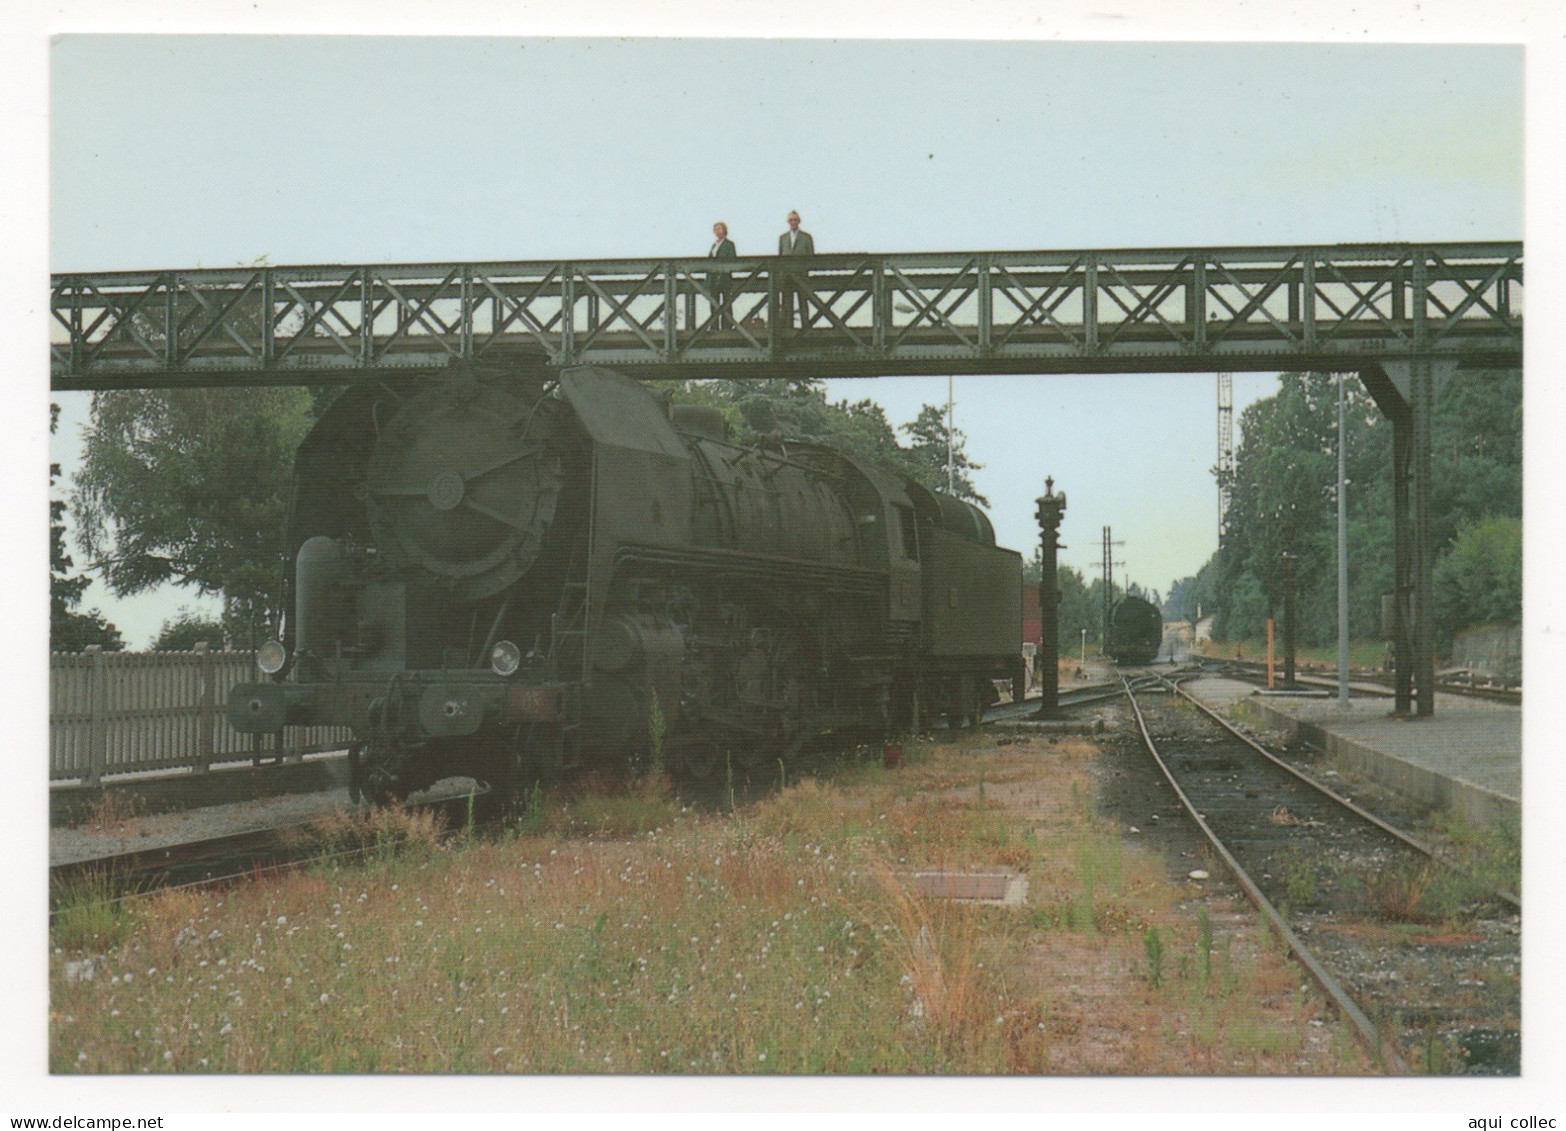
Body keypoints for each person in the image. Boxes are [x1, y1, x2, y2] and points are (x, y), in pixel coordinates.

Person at [776, 210, 815, 333]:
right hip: (786, 275)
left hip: (801, 274)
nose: (793, 222)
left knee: (803, 300)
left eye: (795, 220)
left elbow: (811, 255)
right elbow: (780, 255)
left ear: (799, 221)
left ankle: (806, 327)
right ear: (788, 222)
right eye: (791, 220)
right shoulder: (783, 238)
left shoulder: (806, 237)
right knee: (786, 301)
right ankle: (788, 328)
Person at [707, 221, 736, 329]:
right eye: (716, 229)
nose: (717, 231)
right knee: (714, 303)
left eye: (719, 229)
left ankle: (727, 326)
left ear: (724, 230)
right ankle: (714, 326)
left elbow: (733, 260)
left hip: (724, 278)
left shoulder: (729, 244)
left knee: (726, 303)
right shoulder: (714, 245)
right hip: (713, 278)